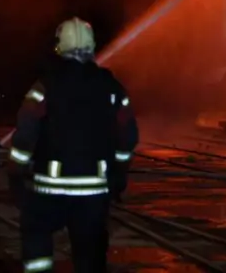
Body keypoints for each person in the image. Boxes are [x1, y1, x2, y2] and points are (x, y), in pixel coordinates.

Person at [8, 17, 139, 273]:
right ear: (92, 47)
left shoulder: (44, 86)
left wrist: (16, 170)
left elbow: (25, 132)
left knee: (36, 238)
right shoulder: (111, 88)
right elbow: (128, 135)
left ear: (60, 47)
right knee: (90, 253)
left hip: (48, 189)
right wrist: (119, 171)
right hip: (94, 191)